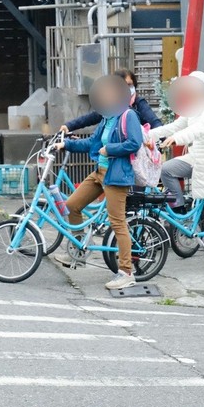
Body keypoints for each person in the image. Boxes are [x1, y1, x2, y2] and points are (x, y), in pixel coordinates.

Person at [56, 73, 143, 291]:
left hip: (116, 175)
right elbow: (90, 143)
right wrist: (65, 145)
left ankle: (126, 272)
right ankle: (81, 250)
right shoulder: (107, 117)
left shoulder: (128, 115)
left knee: (117, 223)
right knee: (72, 206)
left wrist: (110, 149)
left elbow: (135, 142)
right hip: (100, 172)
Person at [154, 72, 204, 272]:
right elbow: (175, 125)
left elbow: (199, 128)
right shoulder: (192, 107)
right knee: (168, 169)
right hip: (197, 159)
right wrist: (147, 134)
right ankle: (182, 210)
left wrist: (177, 139)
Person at [60, 68, 162, 133]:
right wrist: (69, 126)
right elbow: (89, 118)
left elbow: (154, 121)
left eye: (129, 84)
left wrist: (161, 136)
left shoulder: (138, 103)